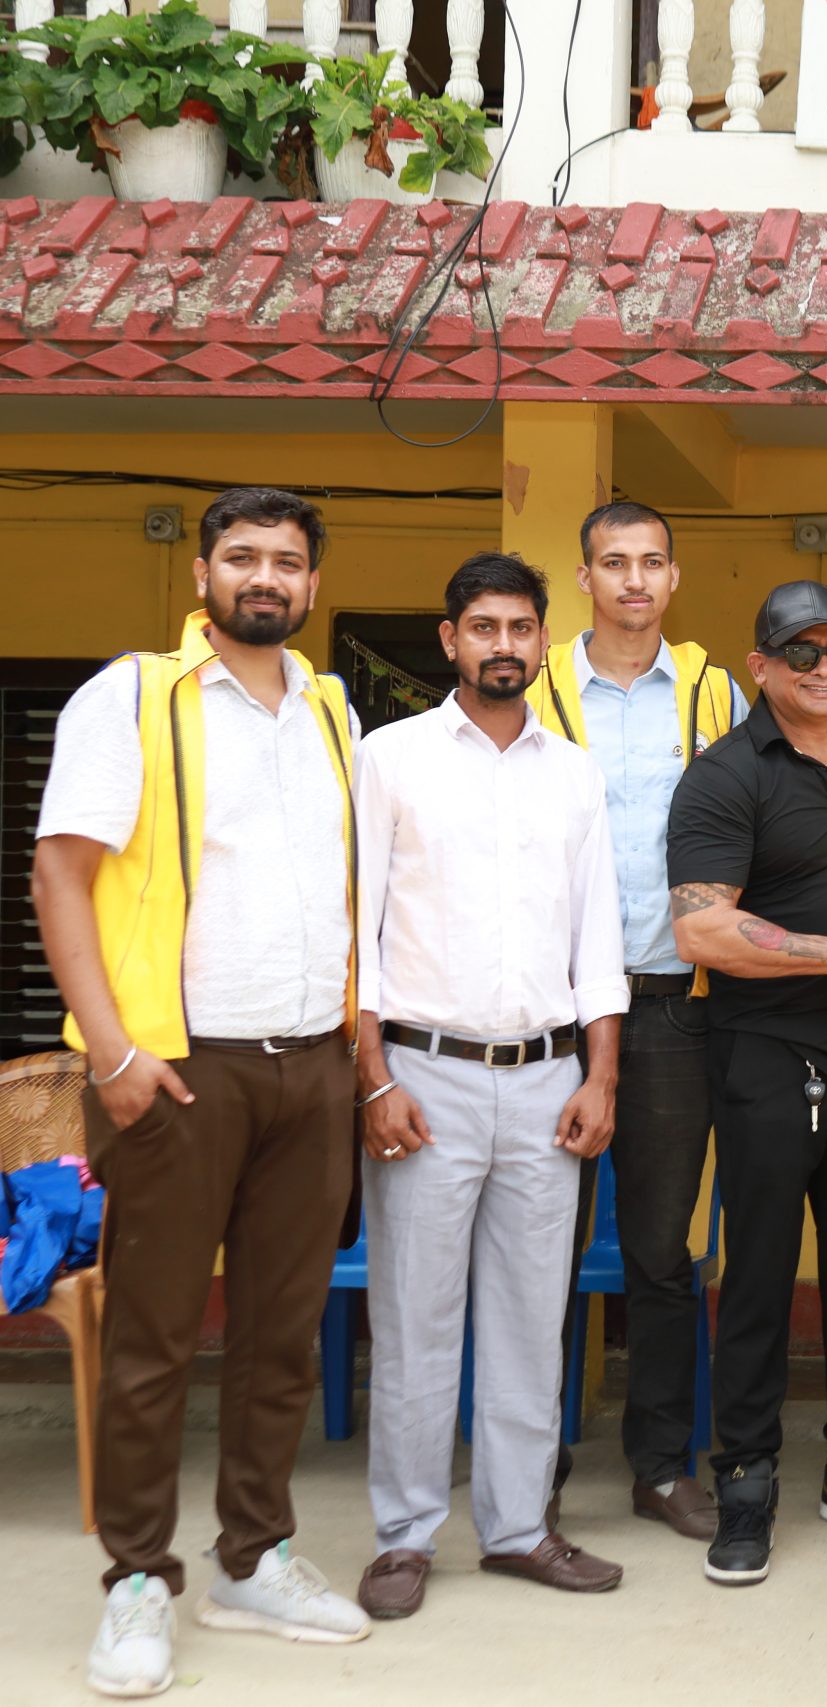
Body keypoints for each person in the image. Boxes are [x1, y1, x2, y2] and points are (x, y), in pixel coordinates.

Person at [34, 488, 372, 1697]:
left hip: (310, 1064)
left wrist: (353, 1054)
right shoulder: (130, 697)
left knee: (281, 1337)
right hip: (178, 1071)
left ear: (312, 584)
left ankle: (255, 1556)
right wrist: (112, 1053)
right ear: (202, 576)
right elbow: (61, 872)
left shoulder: (330, 712)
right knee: (153, 1340)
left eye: (286, 560)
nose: (264, 576)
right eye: (241, 556)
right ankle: (136, 1578)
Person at [351, 554, 628, 1621]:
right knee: (415, 1319)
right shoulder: (391, 759)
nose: (503, 645)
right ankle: (404, 1537)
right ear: (450, 640)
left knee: (528, 1321)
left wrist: (601, 1075)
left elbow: (596, 934)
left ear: (542, 640)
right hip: (423, 1076)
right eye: (483, 627)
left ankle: (518, 1529)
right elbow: (360, 930)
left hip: (550, 1079)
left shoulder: (574, 774)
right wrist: (373, 1078)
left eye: (520, 627)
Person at [668, 580, 827, 1585]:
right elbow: (702, 928)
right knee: (762, 1277)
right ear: (760, 666)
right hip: (770, 1059)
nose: (824, 668)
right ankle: (745, 1478)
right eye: (801, 651)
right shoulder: (725, 774)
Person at [527, 501, 747, 1543]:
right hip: (546, 1009)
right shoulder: (530, 686)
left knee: (662, 1252)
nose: (633, 580)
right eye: (613, 562)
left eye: (651, 562)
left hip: (670, 1006)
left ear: (673, 576)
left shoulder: (714, 694)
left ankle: (660, 1467)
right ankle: (530, 1473)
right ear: (584, 578)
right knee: (538, 1255)